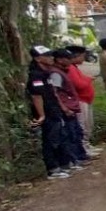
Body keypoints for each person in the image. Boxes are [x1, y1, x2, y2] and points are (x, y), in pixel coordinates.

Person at [27, 46, 73, 179]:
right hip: (46, 113)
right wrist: (41, 115)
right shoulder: (35, 75)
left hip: (54, 110)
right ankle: (52, 169)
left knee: (59, 138)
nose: (50, 58)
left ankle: (61, 165)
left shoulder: (46, 73)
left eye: (50, 55)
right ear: (38, 58)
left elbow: (53, 92)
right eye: (46, 55)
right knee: (50, 141)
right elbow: (36, 96)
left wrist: (61, 107)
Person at [51, 49, 89, 165]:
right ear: (59, 60)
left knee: (76, 132)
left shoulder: (63, 71)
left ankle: (80, 157)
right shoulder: (56, 74)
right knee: (69, 134)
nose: (70, 61)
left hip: (71, 107)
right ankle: (73, 159)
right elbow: (55, 92)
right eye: (68, 58)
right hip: (66, 109)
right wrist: (64, 108)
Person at [64, 45, 101, 157]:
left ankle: (87, 145)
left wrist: (87, 79)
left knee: (88, 124)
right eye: (82, 56)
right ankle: (83, 148)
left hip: (85, 99)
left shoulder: (74, 68)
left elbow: (82, 79)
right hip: (80, 100)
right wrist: (88, 80)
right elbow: (79, 84)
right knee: (83, 125)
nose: (83, 59)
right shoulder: (70, 69)